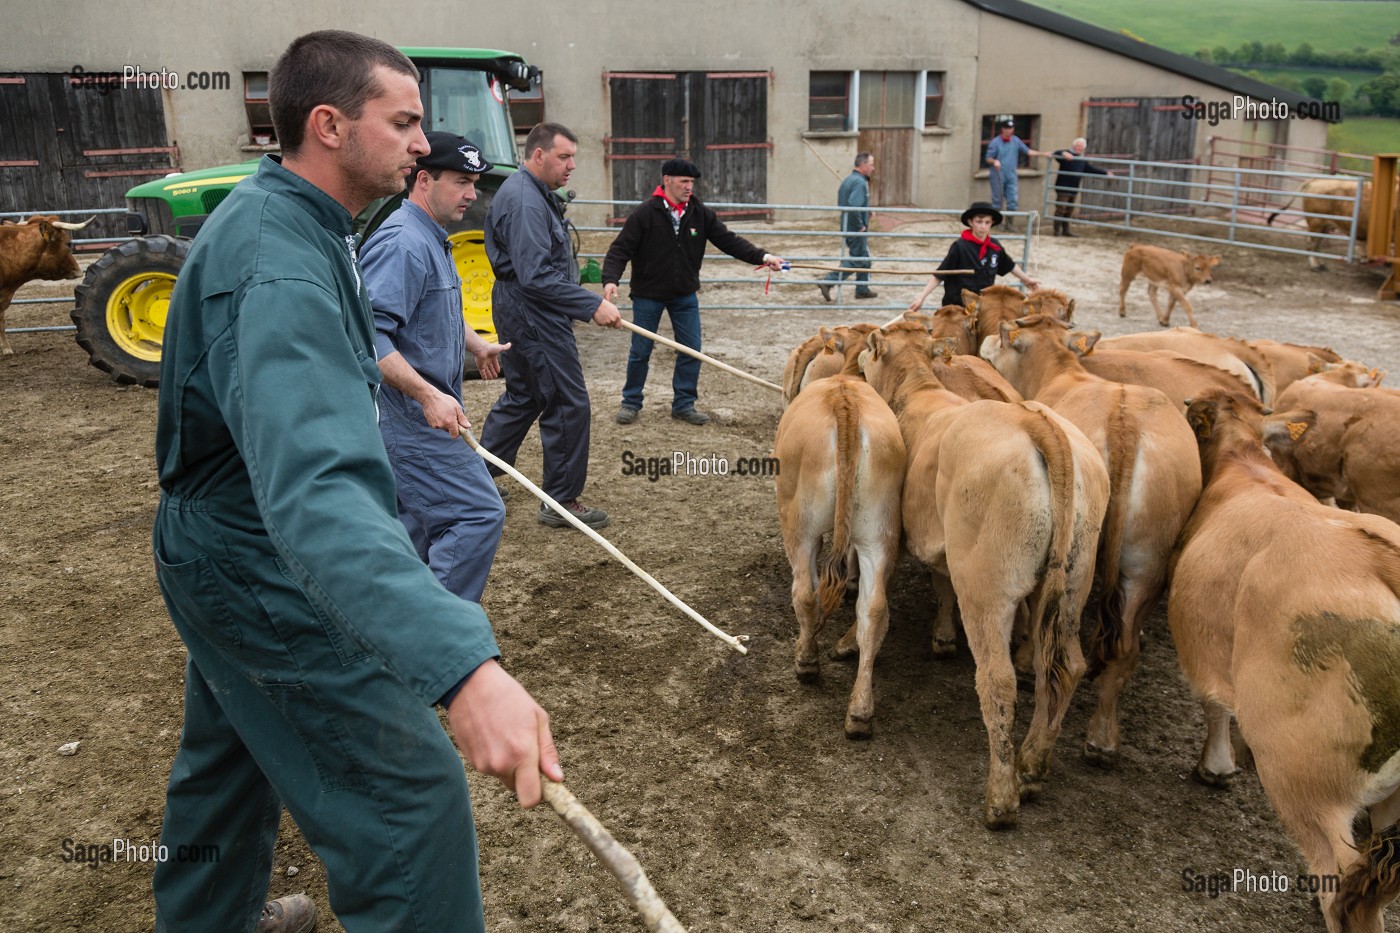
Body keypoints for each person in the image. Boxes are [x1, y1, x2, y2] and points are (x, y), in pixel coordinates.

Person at [150, 30, 562, 933]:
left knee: (231, 762)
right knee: (409, 794)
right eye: (406, 121)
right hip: (256, 554)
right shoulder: (280, 263)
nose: (425, 144)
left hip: (229, 542)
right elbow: (318, 490)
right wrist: (461, 668)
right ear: (331, 125)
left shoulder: (309, 223)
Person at [360, 131, 508, 604]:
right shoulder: (403, 243)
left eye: (475, 185)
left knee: (416, 532)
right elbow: (370, 337)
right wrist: (427, 395)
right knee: (477, 515)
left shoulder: (431, 238)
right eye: (462, 182)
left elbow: (430, 309)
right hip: (411, 421)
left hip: (430, 413)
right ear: (424, 180)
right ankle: (438, 642)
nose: (472, 194)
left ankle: (393, 634)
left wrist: (476, 344)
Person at [478, 122, 621, 529]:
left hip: (522, 306)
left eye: (574, 156)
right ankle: (560, 500)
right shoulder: (525, 201)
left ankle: (475, 477)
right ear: (538, 155)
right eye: (564, 156)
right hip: (532, 310)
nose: (572, 164)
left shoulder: (535, 194)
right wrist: (590, 305)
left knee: (524, 395)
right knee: (566, 401)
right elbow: (536, 276)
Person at [602, 158, 785, 426]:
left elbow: (728, 241)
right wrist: (610, 279)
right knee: (641, 349)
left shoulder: (699, 212)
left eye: (692, 183)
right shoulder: (645, 213)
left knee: (691, 349)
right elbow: (620, 249)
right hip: (648, 294)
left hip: (684, 294)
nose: (690, 187)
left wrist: (764, 256)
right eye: (684, 182)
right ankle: (631, 402)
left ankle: (684, 404)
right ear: (667, 180)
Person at [907, 201, 1041, 312]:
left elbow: (1009, 265)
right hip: (958, 305)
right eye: (979, 222)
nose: (983, 226)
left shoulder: (995, 246)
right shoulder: (960, 246)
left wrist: (1027, 279)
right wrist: (921, 297)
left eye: (987, 223)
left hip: (984, 304)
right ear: (971, 222)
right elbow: (940, 274)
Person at [816, 152, 878, 301]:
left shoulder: (849, 180)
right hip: (855, 229)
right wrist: (860, 225)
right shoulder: (859, 183)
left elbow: (844, 202)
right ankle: (828, 281)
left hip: (847, 225)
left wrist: (866, 210)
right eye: (871, 164)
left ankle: (862, 289)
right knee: (858, 259)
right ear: (862, 165)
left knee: (865, 258)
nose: (873, 168)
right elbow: (853, 205)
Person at [984, 119, 1046, 231]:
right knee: (997, 199)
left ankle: (1009, 224)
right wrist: (994, 161)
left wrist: (1043, 154)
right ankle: (997, 223)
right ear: (1002, 129)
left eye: (1011, 129)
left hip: (1011, 174)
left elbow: (1028, 151)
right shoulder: (995, 142)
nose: (1008, 131)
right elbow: (988, 158)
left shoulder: (1016, 141)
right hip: (998, 174)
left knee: (1012, 199)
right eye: (1006, 128)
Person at [1048, 137, 1114, 237]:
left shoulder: (1082, 159)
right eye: (1078, 145)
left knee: (1069, 210)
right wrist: (1063, 153)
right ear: (1074, 145)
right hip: (1063, 187)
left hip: (1074, 188)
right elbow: (1056, 153)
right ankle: (1056, 231)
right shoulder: (1067, 154)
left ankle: (1066, 230)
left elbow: (1091, 169)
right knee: (1061, 209)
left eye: (1081, 146)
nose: (1079, 148)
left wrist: (1105, 173)